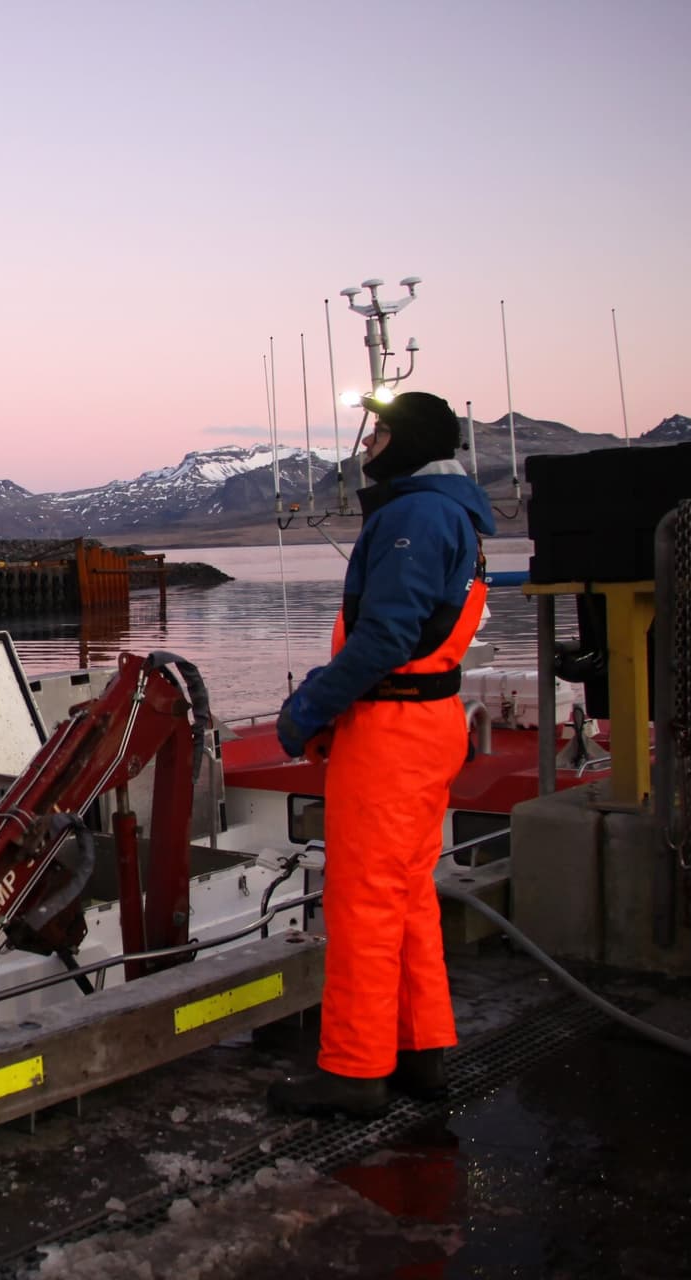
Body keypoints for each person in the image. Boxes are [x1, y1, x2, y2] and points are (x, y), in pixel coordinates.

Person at [268, 390, 497, 1118]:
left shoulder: (415, 515)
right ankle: (419, 1052)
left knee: (364, 902)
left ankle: (354, 1071)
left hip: (392, 733)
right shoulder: (454, 511)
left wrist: (309, 707)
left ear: (410, 441)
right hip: (427, 722)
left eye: (380, 432)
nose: (367, 443)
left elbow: (386, 637)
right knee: (407, 895)